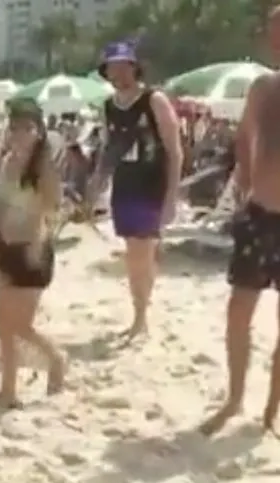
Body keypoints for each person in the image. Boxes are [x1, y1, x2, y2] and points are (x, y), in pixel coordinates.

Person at [201, 7, 280, 436]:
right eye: (271, 33)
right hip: (260, 211)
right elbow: (245, 136)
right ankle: (234, 399)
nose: (273, 40)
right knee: (239, 311)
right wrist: (247, 185)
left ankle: (271, 407)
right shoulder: (263, 87)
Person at [91, 40, 182, 339]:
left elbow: (174, 150)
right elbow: (108, 149)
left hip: (151, 186)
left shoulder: (154, 100)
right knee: (133, 253)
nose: (117, 71)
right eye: (112, 66)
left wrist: (171, 197)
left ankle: (140, 317)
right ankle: (139, 312)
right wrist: (96, 185)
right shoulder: (108, 106)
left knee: (141, 252)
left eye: (123, 64)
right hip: (125, 185)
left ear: (133, 66)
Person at [0, 100, 66, 408]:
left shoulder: (44, 168)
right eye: (15, 127)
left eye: (27, 128)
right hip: (5, 246)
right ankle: (8, 390)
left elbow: (50, 211)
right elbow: (1, 207)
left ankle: (55, 359)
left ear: (39, 131)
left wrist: (34, 245)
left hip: (33, 249)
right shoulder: (7, 163)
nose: (20, 134)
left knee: (19, 325)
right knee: (0, 323)